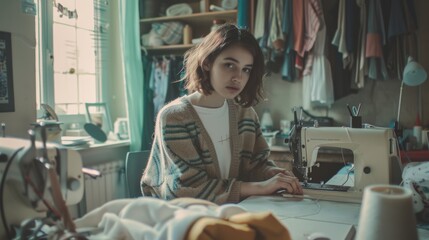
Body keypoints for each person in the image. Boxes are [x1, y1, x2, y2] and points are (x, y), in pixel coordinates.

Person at [141, 23, 303, 204]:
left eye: (246, 69)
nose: (238, 77)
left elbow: (255, 165)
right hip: (183, 219)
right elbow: (186, 189)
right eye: (229, 65)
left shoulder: (245, 115)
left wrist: (271, 173)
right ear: (207, 62)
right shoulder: (174, 117)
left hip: (231, 213)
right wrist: (260, 187)